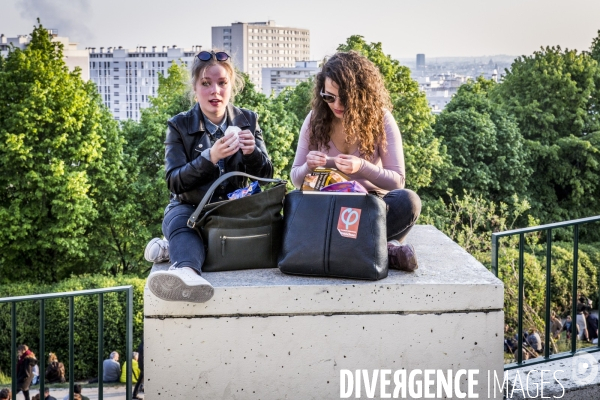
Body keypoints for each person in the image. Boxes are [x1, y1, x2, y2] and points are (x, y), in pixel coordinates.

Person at [144, 50, 273, 302]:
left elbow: (267, 174)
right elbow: (174, 181)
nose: (215, 91)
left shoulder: (248, 119)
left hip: (233, 210)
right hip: (189, 209)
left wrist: (252, 152)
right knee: (183, 225)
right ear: (195, 88)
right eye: (206, 83)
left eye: (222, 83)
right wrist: (209, 158)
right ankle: (186, 271)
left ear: (231, 87)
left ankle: (170, 249)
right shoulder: (179, 125)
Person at [290, 51, 421, 271]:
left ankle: (342, 248)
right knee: (292, 203)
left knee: (408, 201)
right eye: (329, 97)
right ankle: (383, 250)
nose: (337, 105)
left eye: (346, 98)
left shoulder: (381, 119)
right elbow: (295, 179)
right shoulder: (315, 119)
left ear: (361, 94)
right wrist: (308, 166)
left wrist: (362, 167)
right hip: (328, 204)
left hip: (370, 205)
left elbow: (397, 181)